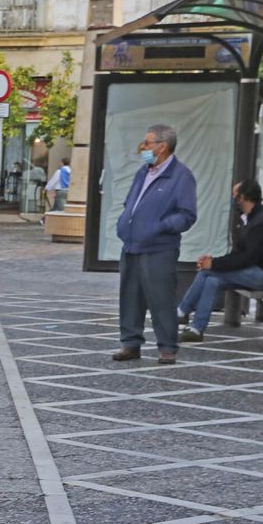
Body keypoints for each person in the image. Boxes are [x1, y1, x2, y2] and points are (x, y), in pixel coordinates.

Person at [114, 124, 197, 364]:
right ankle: (130, 343)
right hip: (131, 244)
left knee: (161, 299)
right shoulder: (143, 172)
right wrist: (125, 222)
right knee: (130, 297)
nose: (143, 147)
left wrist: (159, 227)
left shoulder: (181, 176)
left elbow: (187, 215)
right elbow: (131, 202)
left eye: (147, 143)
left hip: (159, 248)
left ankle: (167, 348)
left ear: (162, 147)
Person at [178, 179, 263, 342]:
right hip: (249, 272)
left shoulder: (261, 220)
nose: (232, 199)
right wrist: (213, 261)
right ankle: (196, 330)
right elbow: (237, 255)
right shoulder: (248, 218)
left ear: (242, 197)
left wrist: (213, 264)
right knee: (212, 281)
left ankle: (182, 311)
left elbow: (248, 258)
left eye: (234, 195)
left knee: (207, 272)